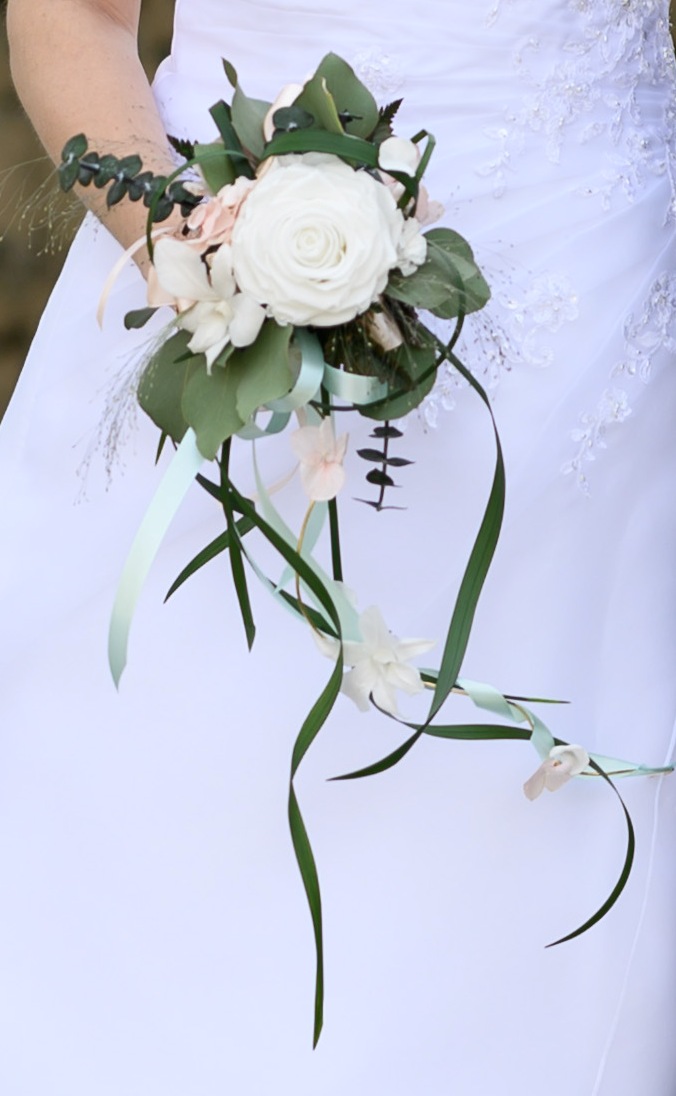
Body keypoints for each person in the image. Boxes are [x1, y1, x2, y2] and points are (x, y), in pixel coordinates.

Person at [2, 1, 676, 1093]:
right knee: (167, 808)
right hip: (221, 277)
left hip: (604, 317)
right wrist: (197, 255)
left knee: (532, 861)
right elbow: (71, 18)